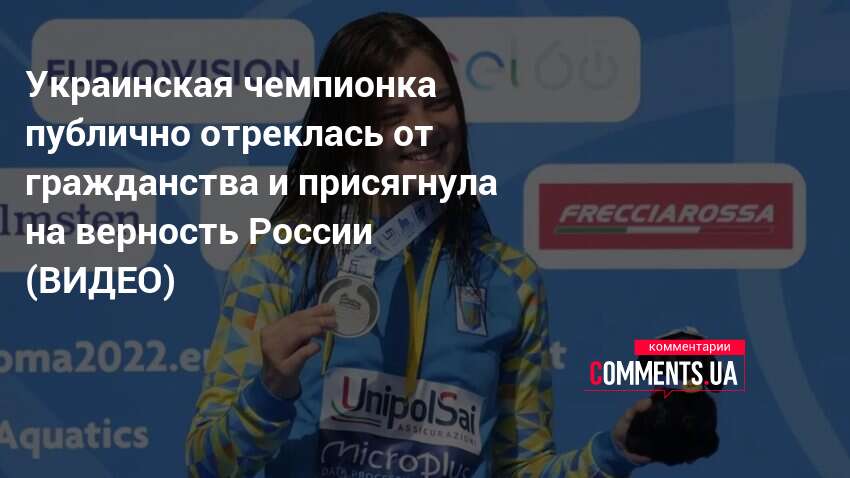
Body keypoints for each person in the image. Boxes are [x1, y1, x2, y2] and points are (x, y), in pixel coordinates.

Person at [186, 12, 652, 477]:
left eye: (438, 103)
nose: (424, 126)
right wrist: (269, 391)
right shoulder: (281, 257)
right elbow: (207, 465)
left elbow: (522, 468)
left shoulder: (510, 278)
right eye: (394, 115)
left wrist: (613, 453)